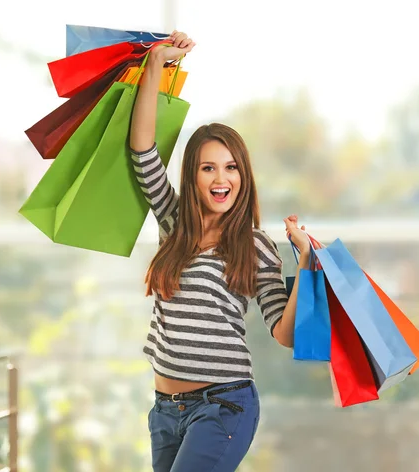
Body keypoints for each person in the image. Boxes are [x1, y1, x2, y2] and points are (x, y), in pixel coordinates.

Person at [129, 30, 312, 472]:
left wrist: (304, 262)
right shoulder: (172, 223)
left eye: (230, 167)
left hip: (224, 407)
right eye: (208, 167)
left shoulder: (254, 246)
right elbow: (142, 152)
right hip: (164, 411)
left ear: (243, 176)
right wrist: (156, 64)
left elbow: (284, 334)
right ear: (192, 175)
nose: (220, 178)